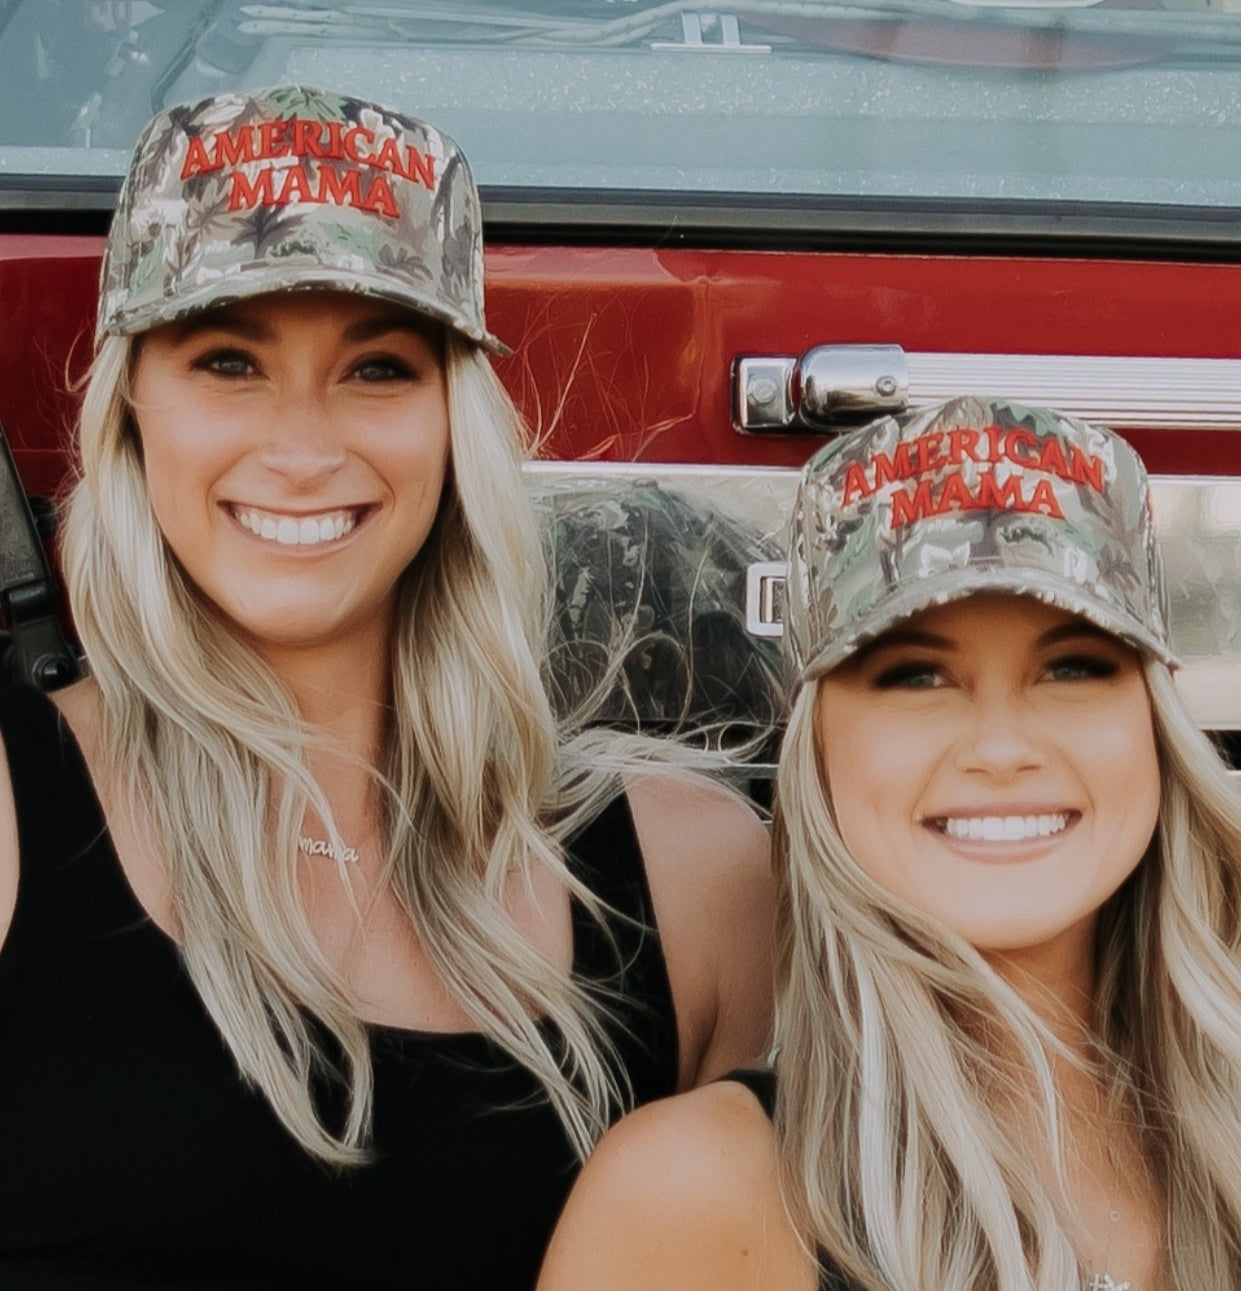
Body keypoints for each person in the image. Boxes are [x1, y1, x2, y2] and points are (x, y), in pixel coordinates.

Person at [0, 85, 773, 1288]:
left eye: (376, 368)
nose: (304, 449)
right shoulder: (10, 816)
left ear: (455, 421)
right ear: (131, 407)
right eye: (227, 360)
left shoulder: (694, 880)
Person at [538, 396, 1241, 1291]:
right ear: (818, 751)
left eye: (1073, 666)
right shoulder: (690, 1197)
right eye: (917, 675)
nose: (1003, 746)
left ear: (1155, 725)